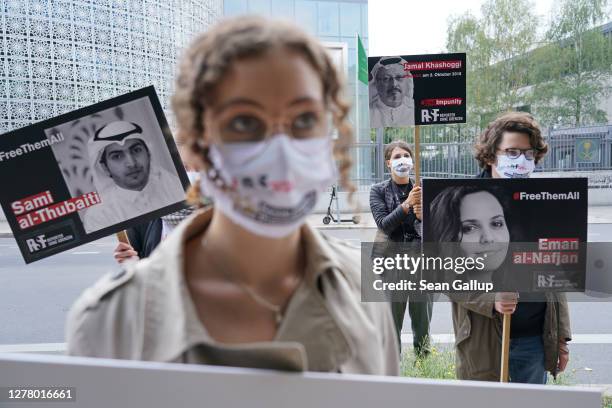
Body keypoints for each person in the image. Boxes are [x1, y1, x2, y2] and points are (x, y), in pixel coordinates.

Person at [66, 16, 399, 375]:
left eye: (304, 119)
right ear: (196, 142)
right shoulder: (110, 322)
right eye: (244, 123)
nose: (280, 148)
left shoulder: (361, 285)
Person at [441, 111, 571, 383]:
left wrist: (561, 336)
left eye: (527, 153)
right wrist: (492, 300)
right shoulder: (461, 198)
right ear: (490, 155)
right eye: (511, 152)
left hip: (534, 340)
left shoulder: (543, 201)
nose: (521, 160)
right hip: (483, 339)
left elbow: (556, 272)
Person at [369, 140, 432, 358]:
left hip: (422, 262)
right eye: (397, 157)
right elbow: (384, 224)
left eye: (406, 155)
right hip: (391, 261)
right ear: (388, 163)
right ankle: (392, 367)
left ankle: (423, 365)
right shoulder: (378, 191)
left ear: (413, 161)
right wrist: (406, 205)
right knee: (391, 321)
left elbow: (440, 226)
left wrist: (425, 216)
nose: (402, 160)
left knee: (422, 320)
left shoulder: (425, 189)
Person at [82, 120, 185, 233]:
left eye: (136, 150)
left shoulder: (175, 187)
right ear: (105, 168)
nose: (131, 163)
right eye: (117, 156)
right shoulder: (99, 215)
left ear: (148, 153)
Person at [369, 56, 415, 128]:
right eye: (386, 79)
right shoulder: (367, 113)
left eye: (399, 77)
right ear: (376, 84)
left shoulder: (415, 110)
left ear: (407, 82)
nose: (394, 84)